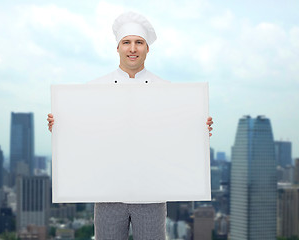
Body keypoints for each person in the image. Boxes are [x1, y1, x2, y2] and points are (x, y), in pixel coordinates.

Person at [47, 11, 213, 240]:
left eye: (139, 43)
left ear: (147, 48)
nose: (132, 48)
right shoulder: (93, 89)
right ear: (117, 48)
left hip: (151, 194)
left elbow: (175, 137)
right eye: (126, 42)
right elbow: (85, 134)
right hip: (107, 193)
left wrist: (199, 129)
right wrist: (60, 127)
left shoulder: (167, 90)